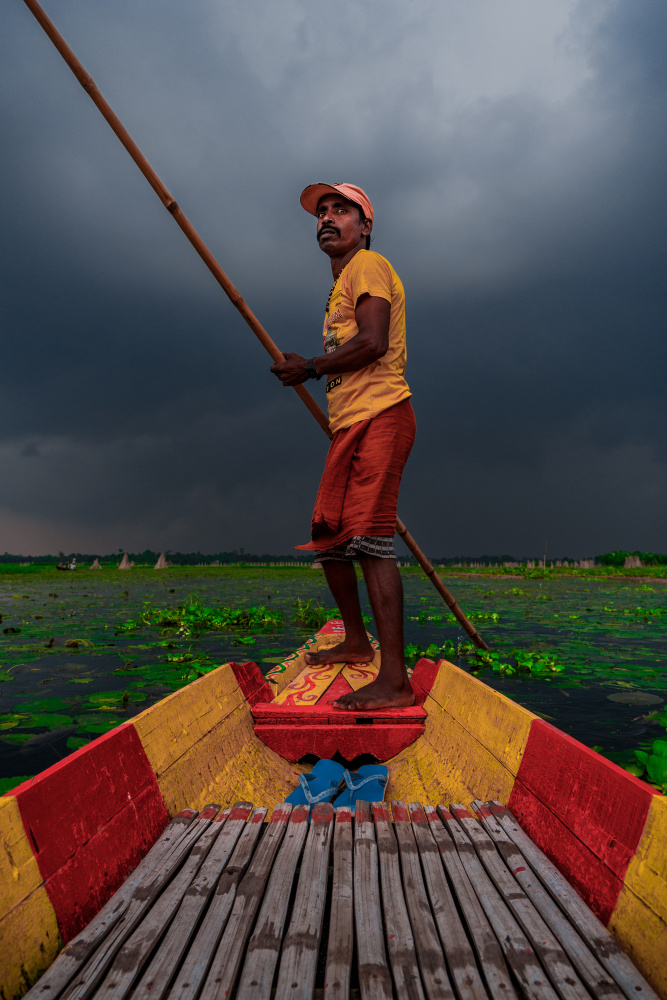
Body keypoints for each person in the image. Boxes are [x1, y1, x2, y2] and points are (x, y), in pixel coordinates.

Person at [270, 182, 416, 710]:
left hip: (382, 415)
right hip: (349, 426)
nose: (327, 218)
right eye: (321, 212)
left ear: (366, 225)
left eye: (341, 210)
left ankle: (395, 681)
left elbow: (373, 341)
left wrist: (309, 367)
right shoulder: (338, 287)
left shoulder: (368, 267)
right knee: (329, 532)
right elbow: (348, 346)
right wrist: (309, 366)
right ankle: (356, 641)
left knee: (371, 537)